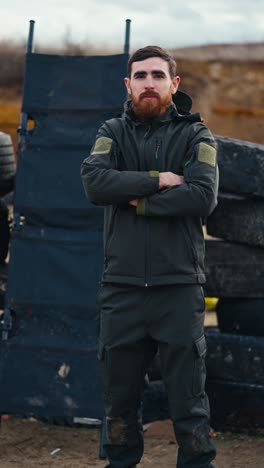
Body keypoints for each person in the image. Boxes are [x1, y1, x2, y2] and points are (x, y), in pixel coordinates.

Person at [81, 45, 218, 468]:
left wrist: (137, 201)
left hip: (177, 288)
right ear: (128, 84)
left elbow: (201, 197)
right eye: (140, 76)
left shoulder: (197, 135)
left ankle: (197, 464)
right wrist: (158, 180)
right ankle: (121, 462)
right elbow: (96, 183)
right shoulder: (111, 132)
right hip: (121, 289)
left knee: (188, 398)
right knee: (119, 398)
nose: (149, 84)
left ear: (173, 84)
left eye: (158, 76)